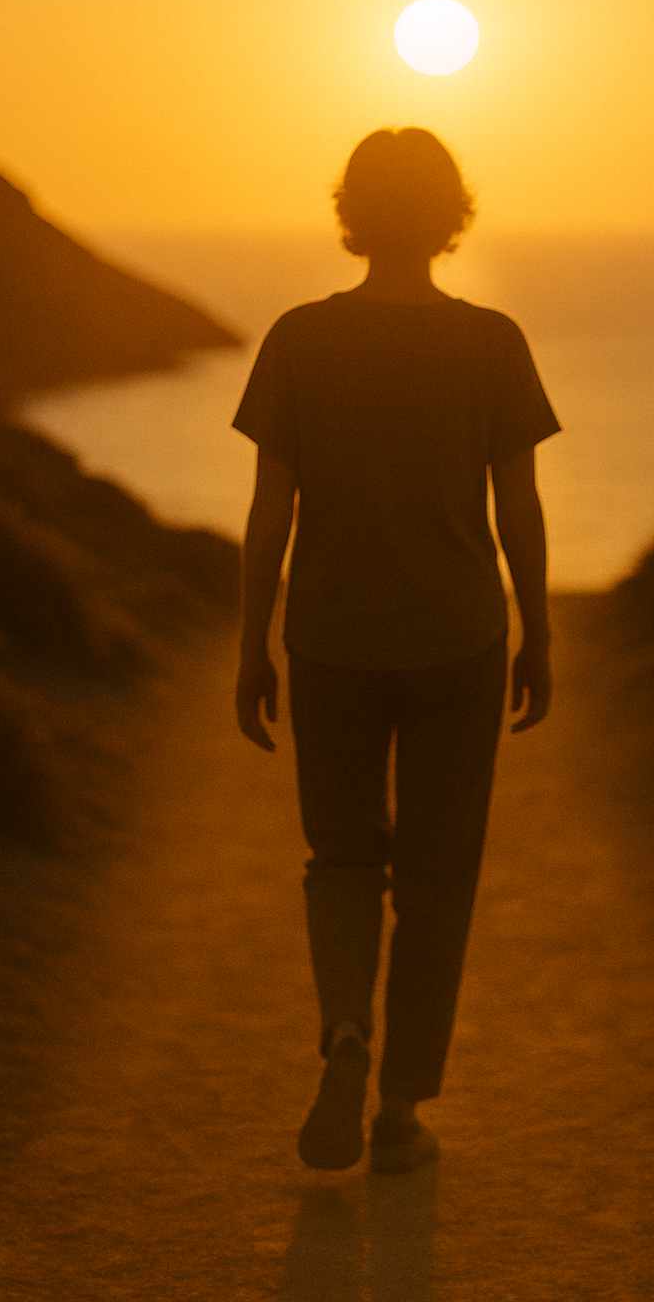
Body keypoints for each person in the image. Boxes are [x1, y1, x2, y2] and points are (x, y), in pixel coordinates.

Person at [233, 127, 559, 1174]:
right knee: (436, 877)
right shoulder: (492, 342)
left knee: (338, 858)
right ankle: (401, 1110)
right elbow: (518, 505)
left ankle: (344, 1032)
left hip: (330, 638)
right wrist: (539, 632)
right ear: (450, 214)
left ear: (352, 213)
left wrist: (251, 646)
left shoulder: (297, 339)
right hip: (458, 641)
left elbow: (269, 509)